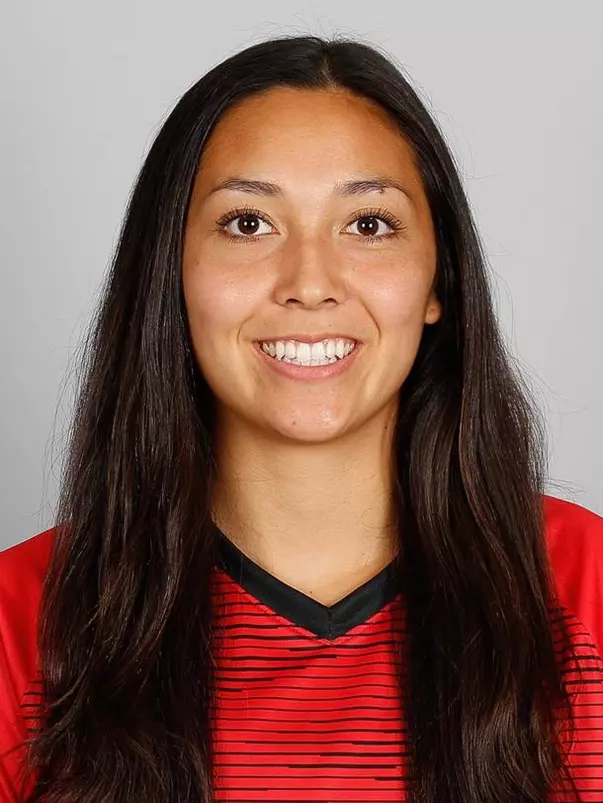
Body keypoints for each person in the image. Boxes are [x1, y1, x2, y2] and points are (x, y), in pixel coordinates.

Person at [1, 33, 602, 803]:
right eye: (248, 224)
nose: (310, 282)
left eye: (368, 224)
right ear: (169, 274)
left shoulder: (578, 591)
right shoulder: (24, 616)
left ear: (436, 282)